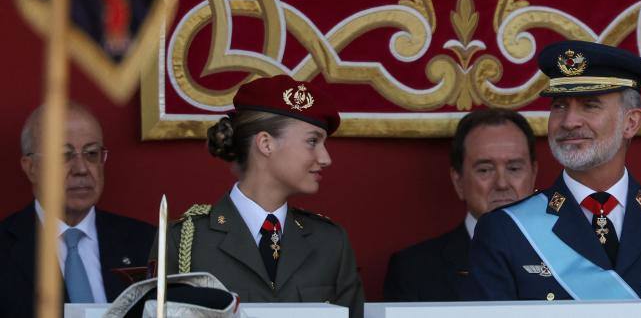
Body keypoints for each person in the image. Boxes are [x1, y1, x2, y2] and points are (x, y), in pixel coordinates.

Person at [468, 40, 641, 301]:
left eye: (589, 105)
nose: (569, 121)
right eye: (560, 106)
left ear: (631, 122)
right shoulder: (506, 230)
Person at [161, 75, 364, 317]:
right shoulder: (185, 240)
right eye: (312, 141)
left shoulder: (330, 242)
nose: (325, 158)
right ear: (266, 144)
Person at [0, 103, 155, 317]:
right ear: (31, 167)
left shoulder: (148, 242)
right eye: (64, 155)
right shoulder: (5, 249)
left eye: (91, 153)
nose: (81, 169)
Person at [383, 108, 538, 301]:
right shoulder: (413, 271)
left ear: (533, 174)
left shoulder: (568, 256)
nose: (502, 183)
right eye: (485, 170)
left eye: (514, 168)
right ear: (458, 181)